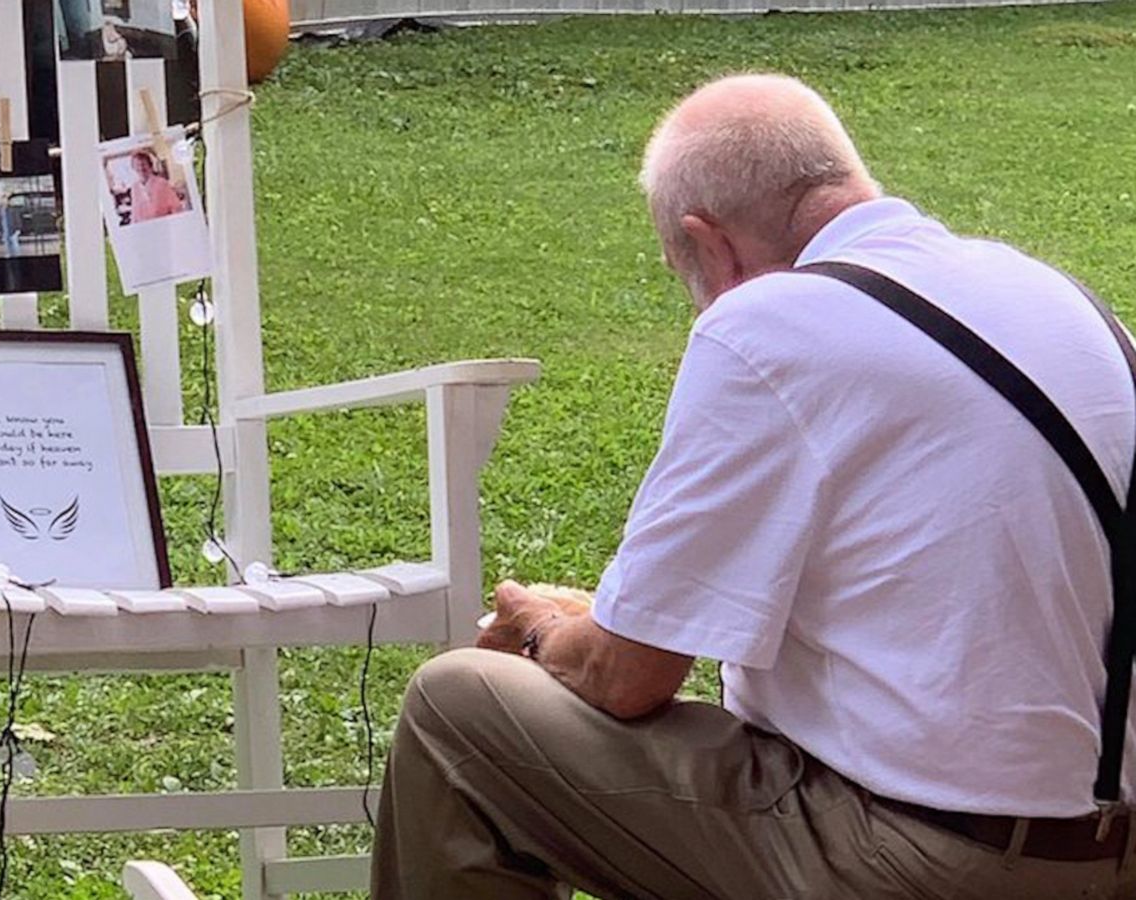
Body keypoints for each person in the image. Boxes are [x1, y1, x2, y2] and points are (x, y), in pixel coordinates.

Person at [370, 73, 1136, 899]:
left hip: (927, 861)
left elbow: (627, 680)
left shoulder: (769, 321)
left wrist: (542, 634)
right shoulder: (1061, 302)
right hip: (1107, 850)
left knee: (457, 711)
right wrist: (616, 623)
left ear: (709, 244)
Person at [127, 151, 187, 223]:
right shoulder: (134, 188)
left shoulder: (162, 183)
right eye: (137, 165)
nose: (140, 168)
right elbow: (135, 213)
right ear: (133, 168)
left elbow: (176, 208)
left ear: (150, 165)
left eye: (143, 164)